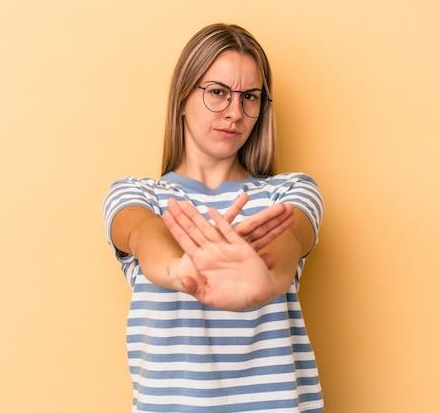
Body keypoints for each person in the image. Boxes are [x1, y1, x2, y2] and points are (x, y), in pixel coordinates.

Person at [103, 23, 324, 413]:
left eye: (249, 97)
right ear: (183, 98)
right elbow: (142, 232)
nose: (235, 114)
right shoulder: (138, 194)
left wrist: (263, 281)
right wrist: (181, 270)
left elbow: (288, 242)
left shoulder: (291, 191)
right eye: (218, 93)